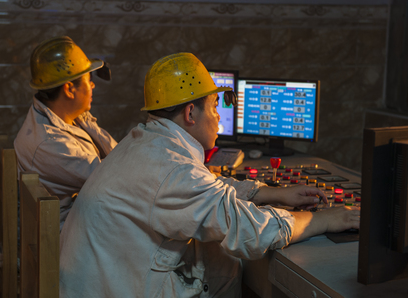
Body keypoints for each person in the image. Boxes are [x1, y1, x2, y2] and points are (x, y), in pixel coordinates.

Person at [59, 52, 360, 297]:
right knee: (228, 259)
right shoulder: (171, 167)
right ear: (191, 114)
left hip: (103, 280)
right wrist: (324, 219)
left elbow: (200, 186)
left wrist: (266, 192)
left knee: (221, 262)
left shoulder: (145, 142)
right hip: (119, 288)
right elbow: (250, 231)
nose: (218, 117)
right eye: (215, 106)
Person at [14, 36, 118, 229]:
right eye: (89, 80)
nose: (93, 85)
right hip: (67, 237)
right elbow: (114, 180)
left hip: (81, 219)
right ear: (69, 89)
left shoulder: (67, 116)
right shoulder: (50, 143)